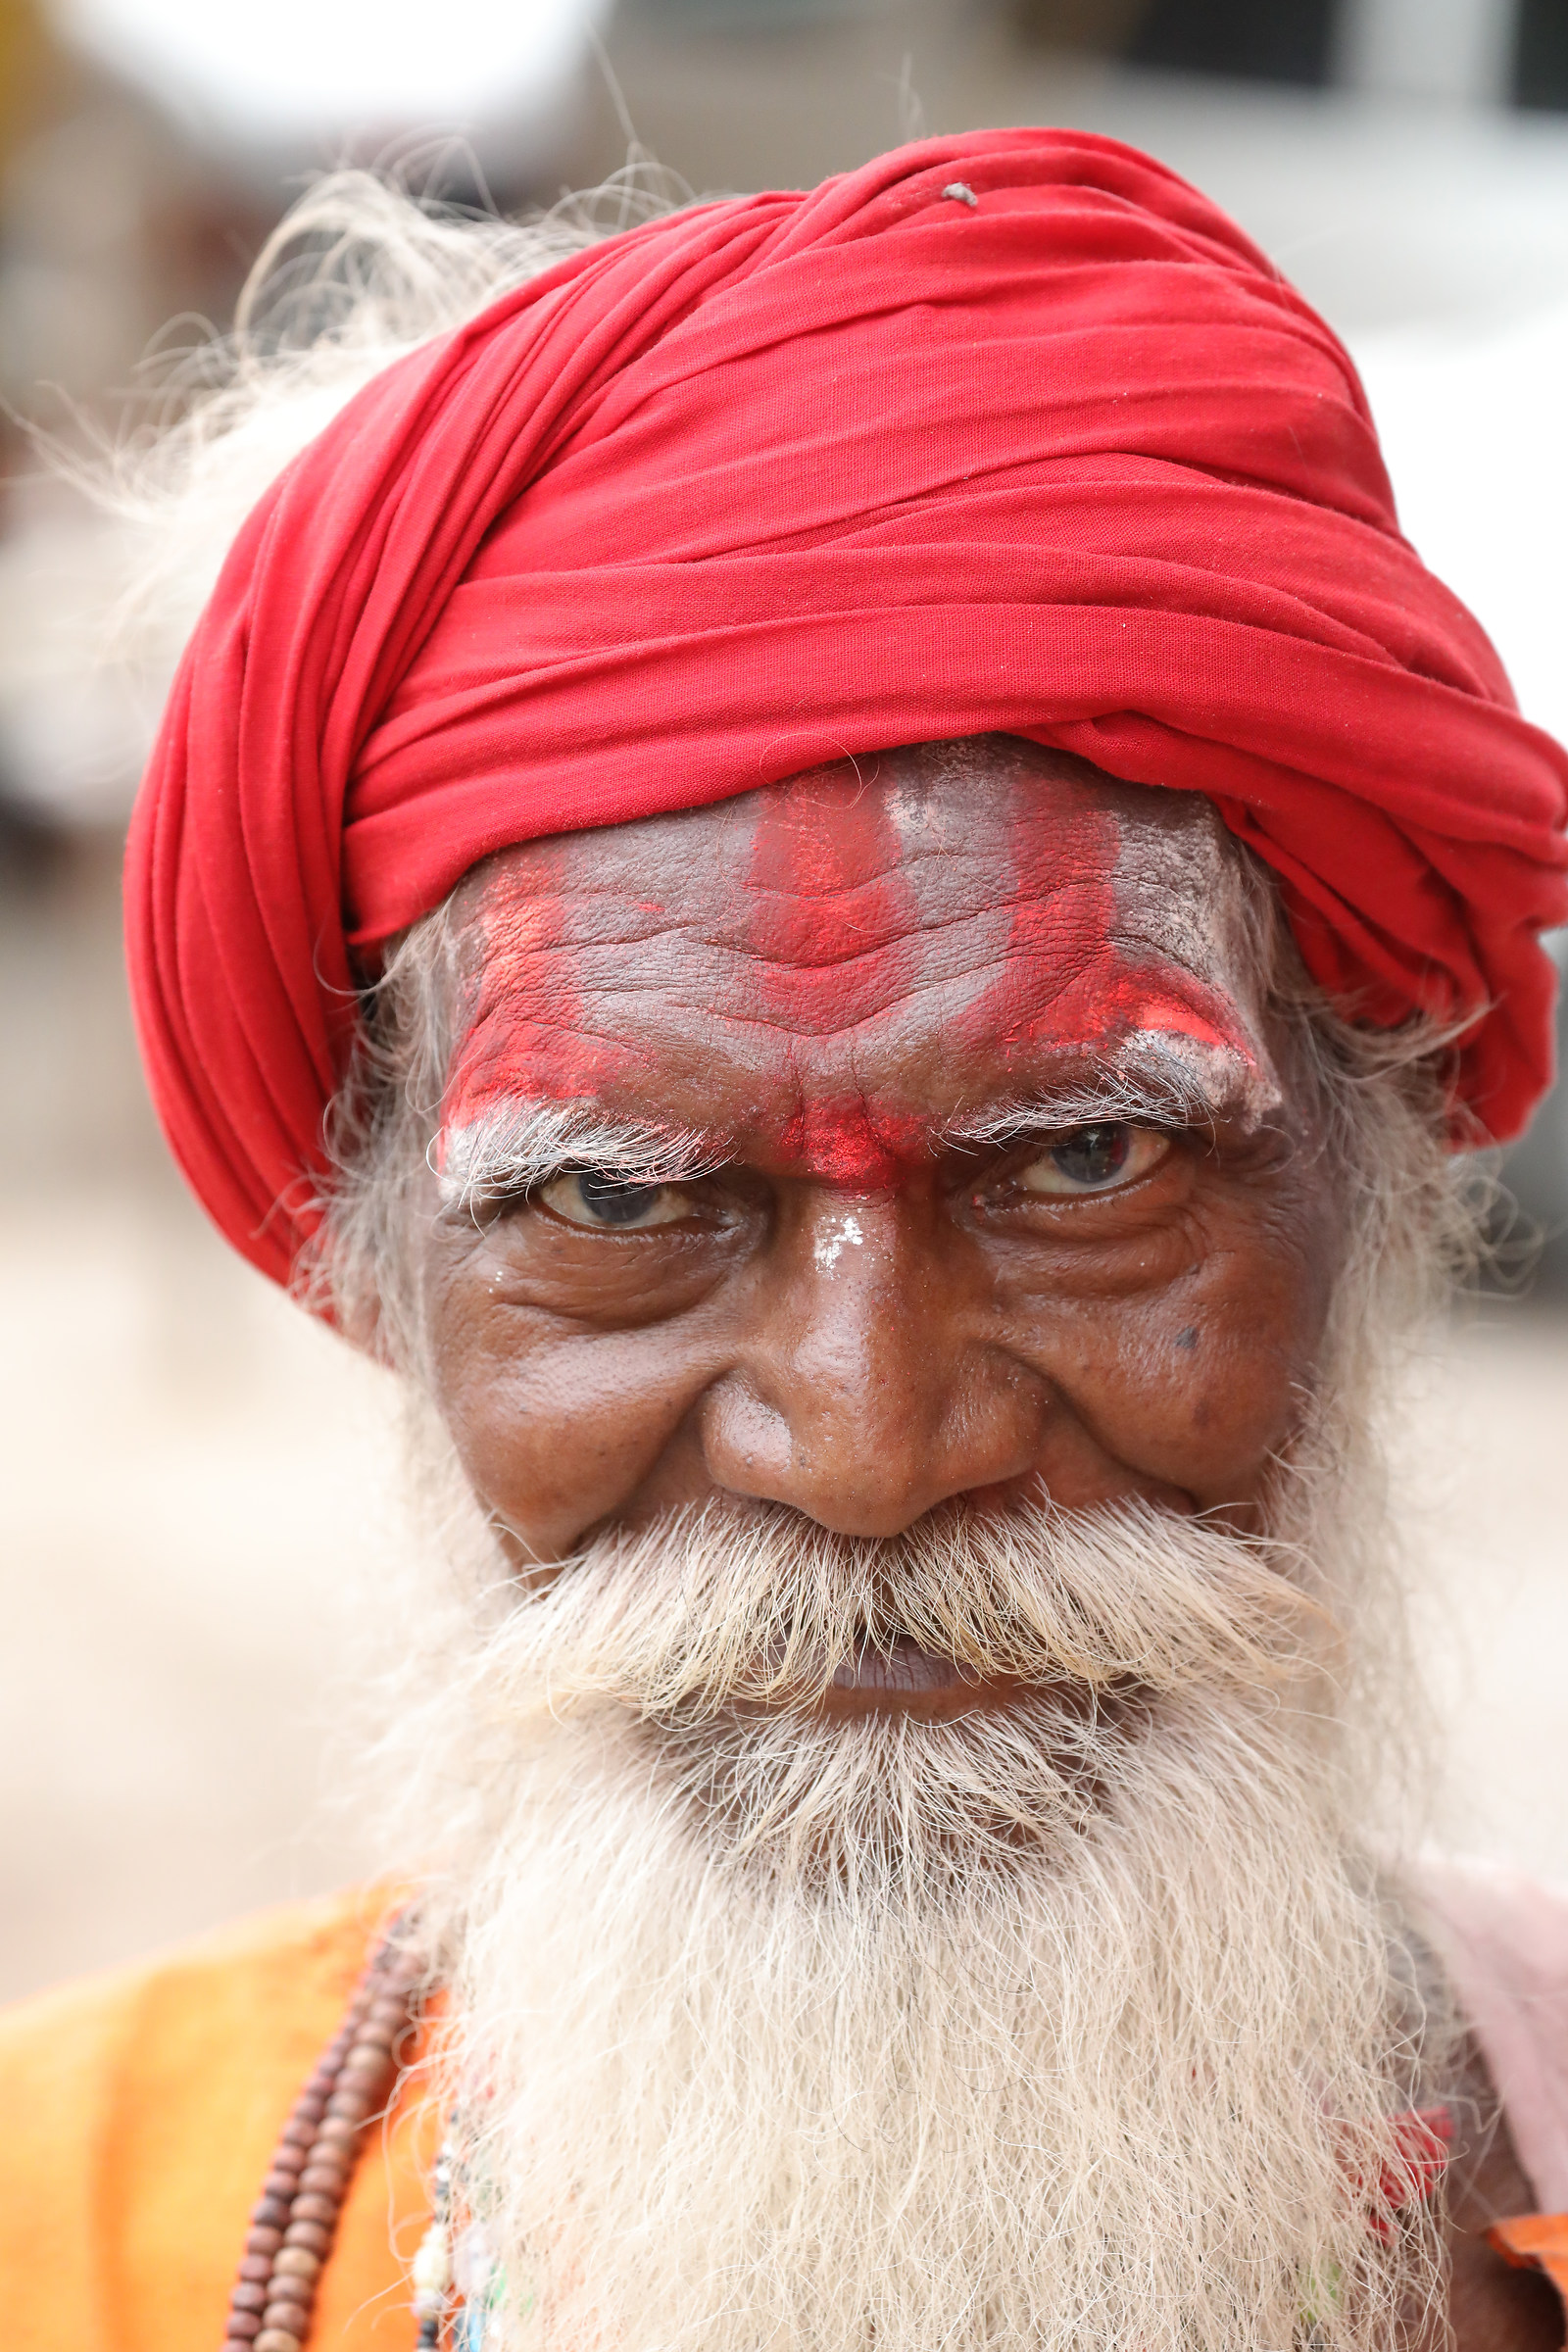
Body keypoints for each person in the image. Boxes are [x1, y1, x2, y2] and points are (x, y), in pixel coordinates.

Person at [4, 127, 1568, 2352]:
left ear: (1384, 1158)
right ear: (371, 1270)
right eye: (619, 1202)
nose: (865, 1441)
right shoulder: (60, 2234)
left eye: (1081, 1167)